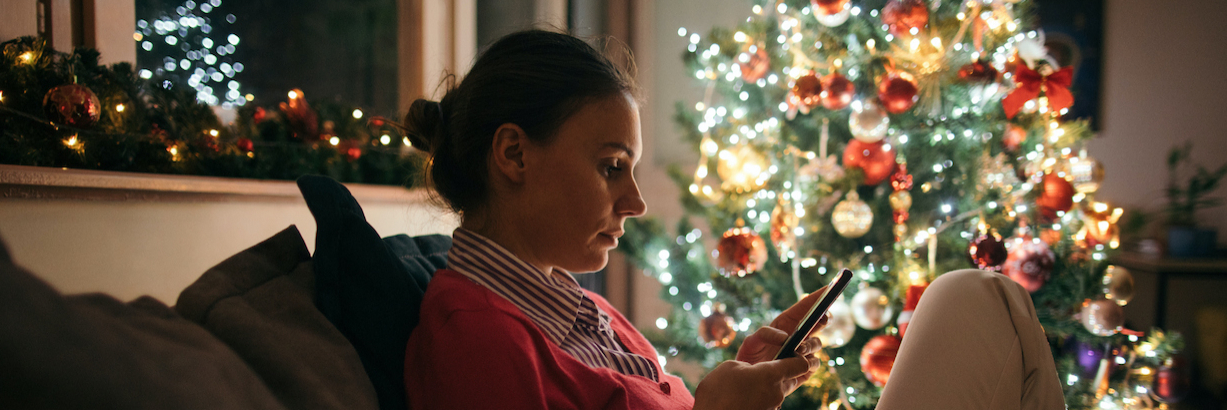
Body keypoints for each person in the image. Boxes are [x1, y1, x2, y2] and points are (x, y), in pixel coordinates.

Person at [398, 29, 1064, 410]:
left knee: (985, 298)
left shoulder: (570, 308)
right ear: (514, 153)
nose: (635, 200)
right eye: (610, 166)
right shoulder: (477, 335)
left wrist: (741, 372)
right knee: (977, 297)